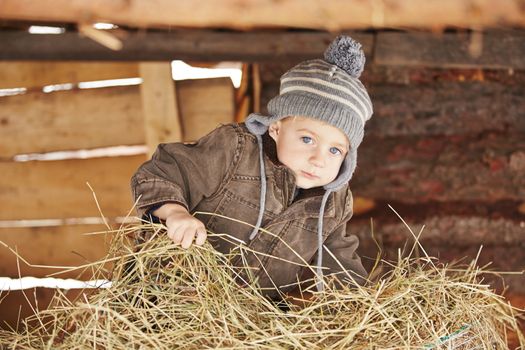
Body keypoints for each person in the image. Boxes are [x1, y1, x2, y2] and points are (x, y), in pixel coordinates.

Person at [131, 35, 373, 298]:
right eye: (307, 139)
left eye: (335, 150)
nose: (319, 159)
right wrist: (175, 213)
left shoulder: (333, 202)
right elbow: (164, 172)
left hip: (249, 322)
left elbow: (338, 261)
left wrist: (359, 305)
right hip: (173, 296)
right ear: (276, 128)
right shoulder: (235, 150)